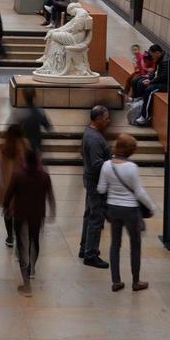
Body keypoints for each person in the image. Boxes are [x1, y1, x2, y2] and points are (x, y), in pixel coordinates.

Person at [97, 133, 156, 292]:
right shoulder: (131, 167)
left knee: (115, 244)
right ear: (130, 150)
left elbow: (101, 189)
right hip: (130, 210)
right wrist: (151, 206)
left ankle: (116, 281)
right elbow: (138, 192)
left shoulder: (106, 165)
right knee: (135, 245)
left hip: (113, 209)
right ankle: (136, 281)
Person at [4, 148, 55, 296]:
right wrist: (52, 211)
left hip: (20, 214)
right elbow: (50, 196)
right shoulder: (45, 176)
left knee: (21, 244)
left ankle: (26, 283)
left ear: (25, 160)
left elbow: (8, 195)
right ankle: (32, 267)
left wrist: (6, 208)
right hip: (37, 214)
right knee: (34, 240)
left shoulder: (18, 175)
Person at [79, 105, 112, 268]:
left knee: (89, 214)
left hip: (89, 180)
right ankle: (90, 254)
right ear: (98, 118)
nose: (108, 120)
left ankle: (84, 247)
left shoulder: (89, 133)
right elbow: (97, 164)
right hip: (96, 183)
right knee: (96, 218)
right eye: (106, 118)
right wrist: (113, 163)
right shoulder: (95, 139)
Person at [0, 124, 26, 250]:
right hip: (20, 187)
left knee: (7, 211)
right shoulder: (23, 147)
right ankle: (18, 236)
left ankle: (10, 237)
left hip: (5, 186)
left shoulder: (2, 147)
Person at [127, 44, 166, 127]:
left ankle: (145, 116)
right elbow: (155, 72)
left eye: (152, 55)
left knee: (149, 89)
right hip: (158, 80)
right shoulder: (159, 59)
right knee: (139, 81)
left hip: (165, 84)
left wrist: (151, 81)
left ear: (157, 53)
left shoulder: (165, 61)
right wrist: (149, 77)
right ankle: (136, 101)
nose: (152, 57)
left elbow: (163, 76)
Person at [15, 88, 52, 155]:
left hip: (24, 147)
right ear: (35, 96)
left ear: (23, 96)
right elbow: (48, 127)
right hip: (36, 147)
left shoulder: (20, 112)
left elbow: (14, 128)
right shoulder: (39, 111)